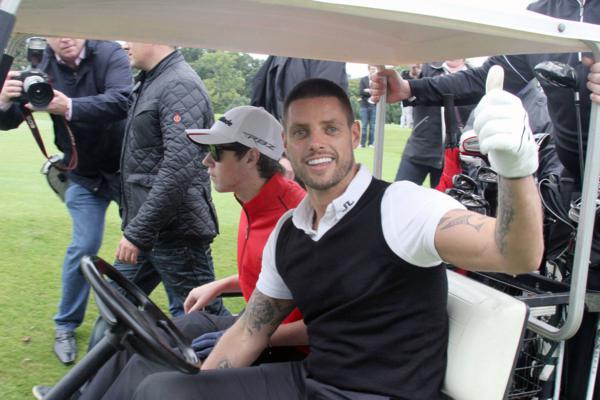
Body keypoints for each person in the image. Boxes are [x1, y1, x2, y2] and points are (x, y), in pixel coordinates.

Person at [128, 77, 543, 400]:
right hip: (314, 381)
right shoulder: (290, 231)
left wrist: (515, 169)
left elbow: (515, 254)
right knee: (164, 390)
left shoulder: (401, 206)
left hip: (387, 394)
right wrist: (201, 384)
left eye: (330, 129)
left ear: (354, 134)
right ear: (286, 144)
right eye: (301, 132)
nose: (316, 143)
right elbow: (250, 330)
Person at [370, 3, 600, 396]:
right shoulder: (547, 11)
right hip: (573, 194)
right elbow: (489, 77)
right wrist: (411, 89)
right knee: (572, 326)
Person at [32, 105, 308, 400]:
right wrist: (221, 285)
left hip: (283, 347)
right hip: (254, 324)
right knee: (139, 339)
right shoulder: (254, 199)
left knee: (152, 368)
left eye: (216, 152)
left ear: (251, 156)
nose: (206, 161)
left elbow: (321, 323)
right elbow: (273, 277)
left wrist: (253, 337)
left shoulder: (295, 222)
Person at [0, 37, 132, 364]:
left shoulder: (109, 53)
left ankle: (131, 319)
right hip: (83, 174)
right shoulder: (40, 66)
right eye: (57, 33)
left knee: (145, 244)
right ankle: (65, 326)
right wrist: (3, 102)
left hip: (125, 172)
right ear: (47, 37)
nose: (66, 38)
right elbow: (10, 120)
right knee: (84, 246)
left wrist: (68, 106)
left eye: (72, 31)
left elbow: (121, 101)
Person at [113, 42, 226, 319]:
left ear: (155, 37)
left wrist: (138, 232)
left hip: (176, 234)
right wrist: (140, 231)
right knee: (115, 306)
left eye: (131, 36)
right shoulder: (153, 80)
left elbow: (179, 168)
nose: (124, 45)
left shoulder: (180, 85)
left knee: (203, 319)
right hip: (150, 231)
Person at [396, 59, 474, 186]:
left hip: (453, 156)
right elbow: (407, 85)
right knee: (400, 193)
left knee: (444, 198)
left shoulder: (473, 76)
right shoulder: (427, 69)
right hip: (419, 149)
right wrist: (412, 75)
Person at [358, 65, 378, 148]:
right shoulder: (363, 80)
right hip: (364, 105)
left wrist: (369, 90)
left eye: (374, 69)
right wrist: (371, 91)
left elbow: (378, 92)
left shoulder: (378, 80)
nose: (373, 71)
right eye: (371, 69)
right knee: (364, 125)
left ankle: (371, 143)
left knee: (373, 126)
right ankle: (362, 143)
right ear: (368, 70)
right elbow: (361, 92)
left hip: (374, 105)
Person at [399, 63, 420, 128]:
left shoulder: (418, 74)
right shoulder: (404, 73)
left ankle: (407, 124)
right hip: (406, 97)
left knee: (407, 112)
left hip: (411, 97)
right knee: (406, 112)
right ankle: (407, 125)